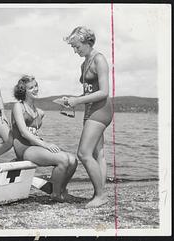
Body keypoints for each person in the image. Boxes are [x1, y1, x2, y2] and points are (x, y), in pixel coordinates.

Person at [63, 26, 113, 208]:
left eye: (77, 46)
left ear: (87, 41)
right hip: (90, 109)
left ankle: (101, 195)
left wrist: (77, 100)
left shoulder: (99, 59)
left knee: (83, 153)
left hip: (101, 109)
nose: (75, 51)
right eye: (73, 48)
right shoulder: (84, 63)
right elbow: (88, 91)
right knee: (97, 154)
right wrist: (71, 101)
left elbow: (104, 91)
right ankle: (99, 193)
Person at [11, 75, 78, 202]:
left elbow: (34, 133)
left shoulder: (40, 112)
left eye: (36, 86)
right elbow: (24, 133)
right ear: (23, 90)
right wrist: (46, 145)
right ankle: (55, 194)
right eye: (31, 88)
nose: (35, 89)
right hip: (24, 149)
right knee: (63, 160)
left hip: (35, 146)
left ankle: (60, 190)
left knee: (73, 160)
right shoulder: (18, 107)